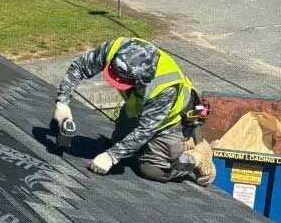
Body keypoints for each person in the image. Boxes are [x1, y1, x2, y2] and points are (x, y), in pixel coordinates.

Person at [53, 36, 215, 185]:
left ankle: (197, 158)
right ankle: (135, 148)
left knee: (152, 170)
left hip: (167, 122)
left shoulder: (164, 86)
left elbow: (145, 130)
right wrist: (63, 102)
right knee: (118, 146)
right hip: (135, 108)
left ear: (142, 79)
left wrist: (111, 157)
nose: (116, 82)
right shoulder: (117, 48)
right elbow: (79, 67)